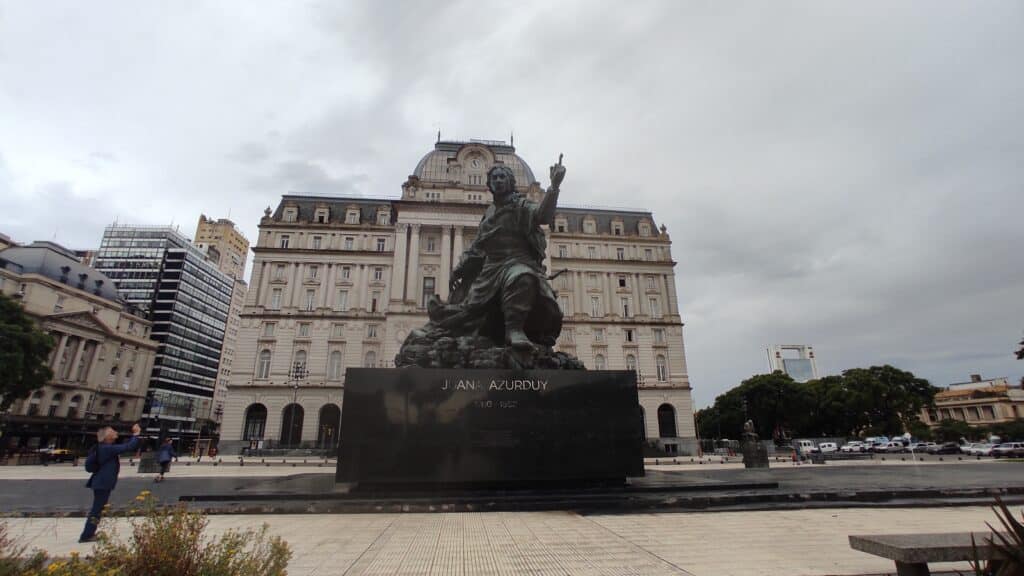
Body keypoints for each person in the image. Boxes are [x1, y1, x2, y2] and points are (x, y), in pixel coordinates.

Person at [428, 159, 567, 349]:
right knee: (471, 309)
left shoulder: (521, 205)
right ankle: (441, 322)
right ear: (490, 184)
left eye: (503, 177)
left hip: (518, 260)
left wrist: (554, 187)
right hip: (492, 267)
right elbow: (477, 247)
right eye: (495, 178)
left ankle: (514, 329)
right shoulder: (489, 213)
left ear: (510, 182)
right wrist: (459, 270)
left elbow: (542, 216)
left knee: (522, 277)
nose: (499, 180)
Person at [79, 423, 140, 543]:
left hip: (101, 481)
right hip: (102, 482)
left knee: (98, 508)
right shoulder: (106, 448)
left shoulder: (103, 447)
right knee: (97, 509)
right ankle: (86, 535)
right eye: (113, 431)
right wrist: (136, 434)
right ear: (107, 436)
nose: (115, 432)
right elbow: (129, 446)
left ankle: (88, 533)